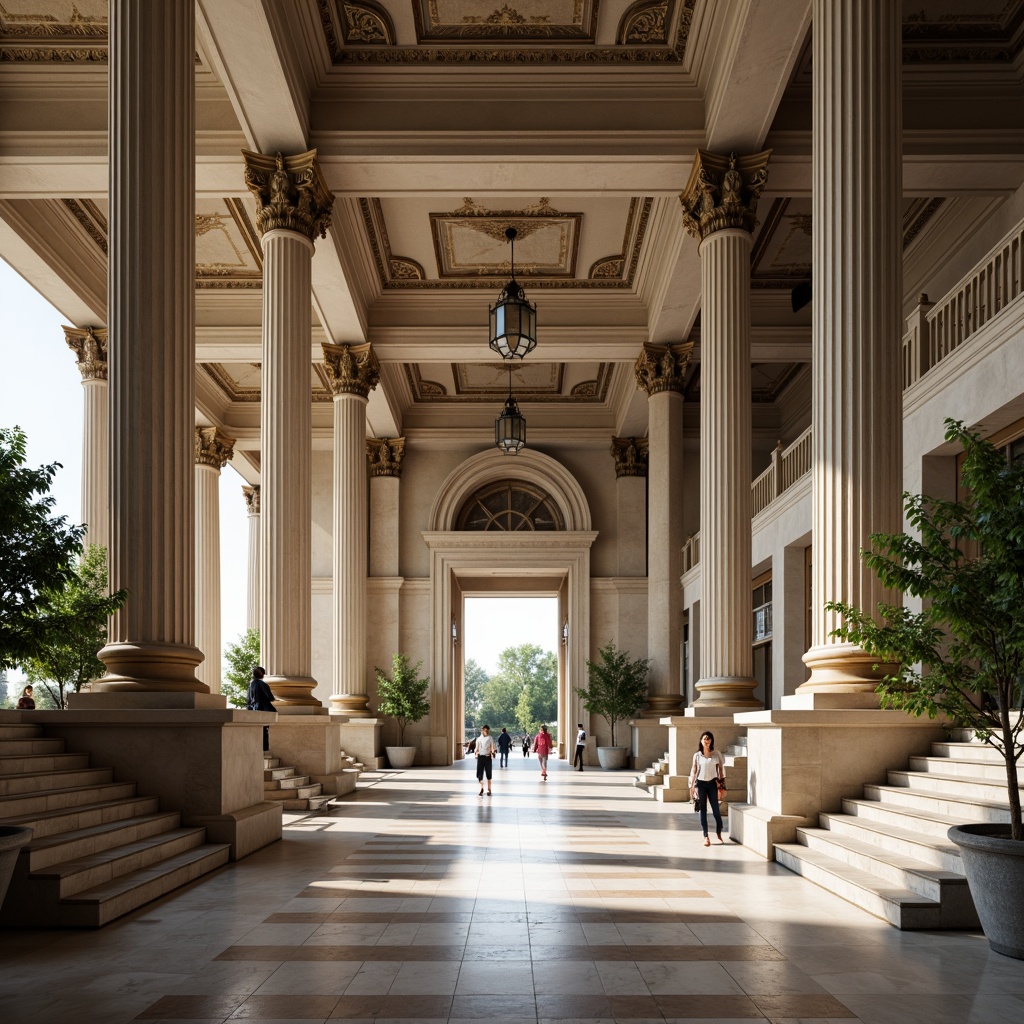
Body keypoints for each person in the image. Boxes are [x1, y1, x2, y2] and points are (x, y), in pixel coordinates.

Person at [688, 730, 726, 846]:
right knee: (702, 810)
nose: (706, 740)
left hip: (712, 784)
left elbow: (721, 769)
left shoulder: (716, 754)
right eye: (704, 738)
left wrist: (722, 784)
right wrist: (692, 786)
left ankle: (719, 833)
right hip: (700, 784)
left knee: (716, 811)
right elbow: (693, 771)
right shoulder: (697, 755)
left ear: (711, 741)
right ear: (701, 740)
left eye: (708, 738)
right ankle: (706, 836)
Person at [247, 665, 276, 752]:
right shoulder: (262, 684)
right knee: (265, 730)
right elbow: (270, 697)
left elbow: (248, 699)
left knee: (258, 730)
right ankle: (264, 747)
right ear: (262, 674)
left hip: (254, 709)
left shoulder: (251, 685)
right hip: (264, 709)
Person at [475, 724, 496, 796]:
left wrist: (493, 752)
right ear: (482, 730)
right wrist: (475, 752)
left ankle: (489, 789)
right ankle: (482, 787)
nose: (486, 731)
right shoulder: (478, 739)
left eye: (487, 730)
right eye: (485, 729)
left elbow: (493, 746)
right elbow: (476, 748)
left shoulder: (490, 738)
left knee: (488, 774)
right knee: (479, 774)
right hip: (480, 757)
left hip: (487, 757)